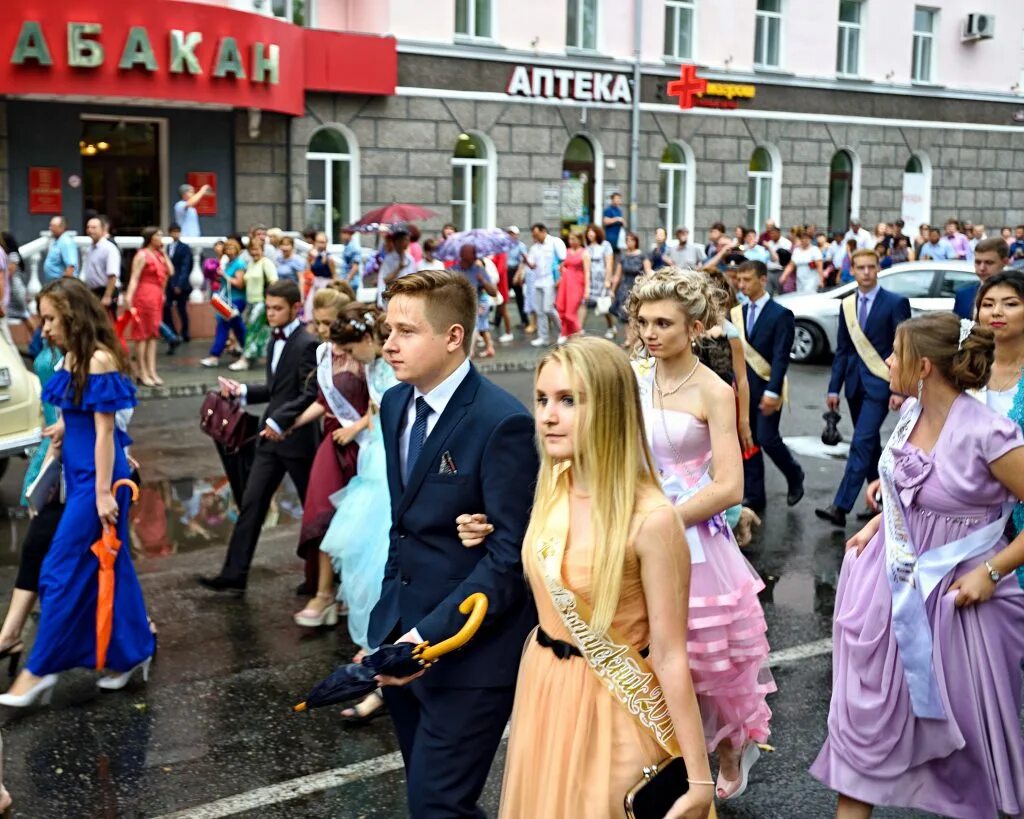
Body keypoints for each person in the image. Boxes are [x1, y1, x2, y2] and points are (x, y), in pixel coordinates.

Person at [457, 337, 715, 818]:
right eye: (542, 399)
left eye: (569, 400)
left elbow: (671, 654)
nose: (548, 416)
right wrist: (489, 533)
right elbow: (551, 573)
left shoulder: (653, 519)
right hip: (545, 690)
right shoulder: (554, 483)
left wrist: (699, 780)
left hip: (613, 705)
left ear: (612, 408)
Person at [810, 313, 1024, 819]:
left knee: (967, 749)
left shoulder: (991, 434)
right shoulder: (908, 413)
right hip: (889, 593)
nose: (886, 362)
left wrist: (992, 573)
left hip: (958, 602)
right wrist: (876, 522)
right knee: (865, 729)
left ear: (923, 366)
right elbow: (910, 491)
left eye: (896, 354)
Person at [367, 270, 539, 819]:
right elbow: (404, 525)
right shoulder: (395, 404)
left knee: (439, 803)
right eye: (386, 328)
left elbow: (508, 557)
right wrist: (388, 626)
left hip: (469, 655)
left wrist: (424, 640)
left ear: (453, 336)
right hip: (400, 641)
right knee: (431, 802)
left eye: (406, 331)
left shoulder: (501, 422)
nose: (388, 343)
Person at [626, 270, 774, 800]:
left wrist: (666, 520)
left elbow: (730, 485)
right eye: (643, 321)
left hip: (692, 537)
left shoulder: (715, 389)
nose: (650, 332)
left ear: (695, 326)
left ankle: (730, 743)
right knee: (641, 653)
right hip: (634, 531)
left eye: (663, 322)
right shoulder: (632, 377)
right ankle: (659, 757)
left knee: (706, 658)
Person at [0, 278, 154, 706]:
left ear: (71, 315)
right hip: (81, 476)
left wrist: (104, 494)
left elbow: (107, 434)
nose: (44, 328)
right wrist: (63, 429)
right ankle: (132, 654)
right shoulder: (72, 356)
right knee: (113, 567)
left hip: (97, 483)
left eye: (50, 318)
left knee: (59, 570)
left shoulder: (101, 359)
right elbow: (80, 413)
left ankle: (39, 671)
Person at [197, 280, 320, 594]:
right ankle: (233, 574)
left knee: (313, 512)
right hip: (269, 438)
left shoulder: (307, 343)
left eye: (277, 308)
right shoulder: (271, 341)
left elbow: (311, 393)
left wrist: (281, 420)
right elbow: (276, 390)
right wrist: (242, 392)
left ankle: (321, 580)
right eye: (268, 307)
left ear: (295, 308)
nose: (271, 314)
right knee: (251, 505)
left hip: (297, 440)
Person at [316, 304, 398, 724]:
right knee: (359, 561)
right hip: (373, 463)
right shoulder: (373, 367)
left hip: (392, 468)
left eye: (350, 349)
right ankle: (376, 647)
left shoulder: (396, 362)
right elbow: (378, 410)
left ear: (369, 340)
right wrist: (362, 426)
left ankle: (383, 665)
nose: (348, 359)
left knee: (380, 562)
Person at [816, 250, 911, 528]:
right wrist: (834, 389)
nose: (866, 272)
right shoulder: (847, 305)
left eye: (871, 267)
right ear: (852, 271)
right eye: (860, 268)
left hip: (882, 385)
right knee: (868, 445)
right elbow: (843, 350)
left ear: (878, 268)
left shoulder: (895, 303)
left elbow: (903, 348)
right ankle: (879, 501)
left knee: (861, 442)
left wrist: (901, 389)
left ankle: (840, 507)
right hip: (854, 385)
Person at [289, 312, 370, 628]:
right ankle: (323, 593)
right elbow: (324, 401)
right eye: (320, 325)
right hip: (332, 443)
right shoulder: (325, 355)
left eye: (328, 326)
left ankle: (347, 592)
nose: (323, 334)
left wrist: (356, 429)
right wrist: (291, 423)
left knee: (359, 525)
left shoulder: (364, 355)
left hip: (362, 445)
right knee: (322, 513)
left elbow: (380, 402)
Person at [733, 261, 804, 510]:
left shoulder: (780, 314)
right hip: (742, 390)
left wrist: (773, 391)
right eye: (739, 280)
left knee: (767, 438)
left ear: (763, 280)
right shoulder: (736, 314)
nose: (741, 285)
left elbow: (780, 357)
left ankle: (794, 473)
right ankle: (754, 494)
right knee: (748, 440)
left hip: (767, 387)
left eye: (747, 280)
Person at [125, 227, 171, 388]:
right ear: (151, 238)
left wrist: (164, 253)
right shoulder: (142, 255)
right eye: (158, 235)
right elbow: (134, 278)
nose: (161, 237)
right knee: (142, 335)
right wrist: (129, 297)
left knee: (153, 334)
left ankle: (152, 370)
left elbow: (169, 273)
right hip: (144, 296)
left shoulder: (159, 255)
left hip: (156, 296)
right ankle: (142, 371)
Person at [230, 238, 279, 372]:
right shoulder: (251, 264)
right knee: (260, 332)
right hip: (250, 302)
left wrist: (270, 302)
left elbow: (274, 281)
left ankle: (244, 359)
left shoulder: (266, 263)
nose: (254, 252)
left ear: (262, 250)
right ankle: (261, 356)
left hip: (261, 302)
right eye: (252, 250)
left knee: (251, 329)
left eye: (257, 249)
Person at [200, 239, 247, 368]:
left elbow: (239, 283)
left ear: (237, 249)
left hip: (236, 300)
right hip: (226, 299)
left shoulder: (239, 263)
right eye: (228, 248)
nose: (230, 251)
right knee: (238, 327)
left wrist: (224, 275)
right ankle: (249, 351)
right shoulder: (227, 263)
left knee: (223, 325)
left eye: (232, 248)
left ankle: (214, 356)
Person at [452, 244, 498, 358]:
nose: (475, 256)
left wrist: (483, 281)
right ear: (463, 255)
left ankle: (468, 355)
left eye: (475, 254)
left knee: (474, 328)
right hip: (456, 309)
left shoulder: (479, 270)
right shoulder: (452, 271)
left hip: (473, 308)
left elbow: (493, 292)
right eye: (472, 254)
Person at [609, 231, 652, 347]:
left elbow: (648, 272)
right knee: (624, 316)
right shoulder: (623, 257)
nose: (629, 242)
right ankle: (629, 338)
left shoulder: (642, 256)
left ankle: (637, 339)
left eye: (632, 240)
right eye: (627, 240)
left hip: (637, 287)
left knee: (635, 314)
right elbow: (617, 275)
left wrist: (649, 286)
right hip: (624, 288)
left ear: (636, 242)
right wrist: (612, 290)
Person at [526, 223, 565, 348]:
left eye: (536, 234)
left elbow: (564, 260)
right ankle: (543, 337)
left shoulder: (555, 242)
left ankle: (563, 332)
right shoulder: (534, 247)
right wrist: (525, 259)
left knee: (548, 308)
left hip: (550, 280)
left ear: (543, 231)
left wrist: (561, 278)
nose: (535, 237)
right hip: (538, 281)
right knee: (539, 311)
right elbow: (532, 265)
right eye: (533, 235)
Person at [954, 236, 1009, 319]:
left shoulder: (1018, 293)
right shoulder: (963, 294)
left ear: (1005, 262)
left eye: (989, 262)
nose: (982, 268)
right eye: (978, 262)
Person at [82, 215, 120, 320]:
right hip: (92, 291)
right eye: (88, 227)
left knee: (107, 323)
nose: (90, 230)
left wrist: (107, 296)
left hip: (106, 291)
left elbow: (112, 275)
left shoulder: (109, 249)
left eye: (94, 227)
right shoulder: (89, 249)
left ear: (103, 230)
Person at [555, 231, 588, 341]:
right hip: (566, 283)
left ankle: (577, 333)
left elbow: (587, 272)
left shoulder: (584, 253)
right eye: (570, 239)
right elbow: (563, 266)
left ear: (580, 240)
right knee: (563, 307)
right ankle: (567, 333)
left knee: (571, 311)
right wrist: (562, 270)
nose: (571, 241)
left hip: (577, 284)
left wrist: (587, 289)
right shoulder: (567, 251)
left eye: (574, 239)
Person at [584, 224, 616, 340]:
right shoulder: (587, 248)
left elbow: (609, 264)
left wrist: (608, 280)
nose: (590, 233)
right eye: (588, 231)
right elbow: (586, 268)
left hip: (602, 281)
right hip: (591, 281)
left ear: (597, 233)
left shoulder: (605, 245)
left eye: (592, 231)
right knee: (585, 304)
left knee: (605, 307)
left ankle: (611, 327)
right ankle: (581, 330)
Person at [163, 223, 191, 346]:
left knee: (182, 310)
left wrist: (179, 284)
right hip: (169, 283)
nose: (175, 234)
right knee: (166, 308)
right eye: (173, 232)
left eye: (177, 232)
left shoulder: (185, 248)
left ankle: (185, 333)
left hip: (181, 284)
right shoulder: (167, 247)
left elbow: (185, 267)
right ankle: (172, 332)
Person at [377, 226, 415, 307]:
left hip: (406, 297)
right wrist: (399, 268)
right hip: (392, 297)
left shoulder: (410, 259)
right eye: (405, 239)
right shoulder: (389, 259)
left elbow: (414, 277)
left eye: (408, 240)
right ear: (397, 242)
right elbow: (386, 280)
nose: (408, 242)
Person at [304, 231, 336, 317]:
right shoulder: (313, 255)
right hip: (315, 283)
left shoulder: (329, 257)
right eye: (318, 242)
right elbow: (309, 268)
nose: (320, 245)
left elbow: (334, 275)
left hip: (326, 283)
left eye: (323, 242)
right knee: (309, 307)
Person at [781, 229, 823, 294]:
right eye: (802, 238)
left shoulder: (815, 250)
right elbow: (791, 265)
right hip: (800, 280)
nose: (804, 240)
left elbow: (819, 266)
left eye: (806, 238)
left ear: (810, 239)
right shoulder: (796, 251)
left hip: (812, 280)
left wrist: (821, 280)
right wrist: (784, 275)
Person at [43, 216, 79, 284]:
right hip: (54, 283)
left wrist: (63, 286)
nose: (50, 228)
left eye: (53, 226)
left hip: (61, 285)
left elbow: (70, 267)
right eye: (50, 225)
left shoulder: (66, 242)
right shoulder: (57, 241)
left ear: (62, 227)